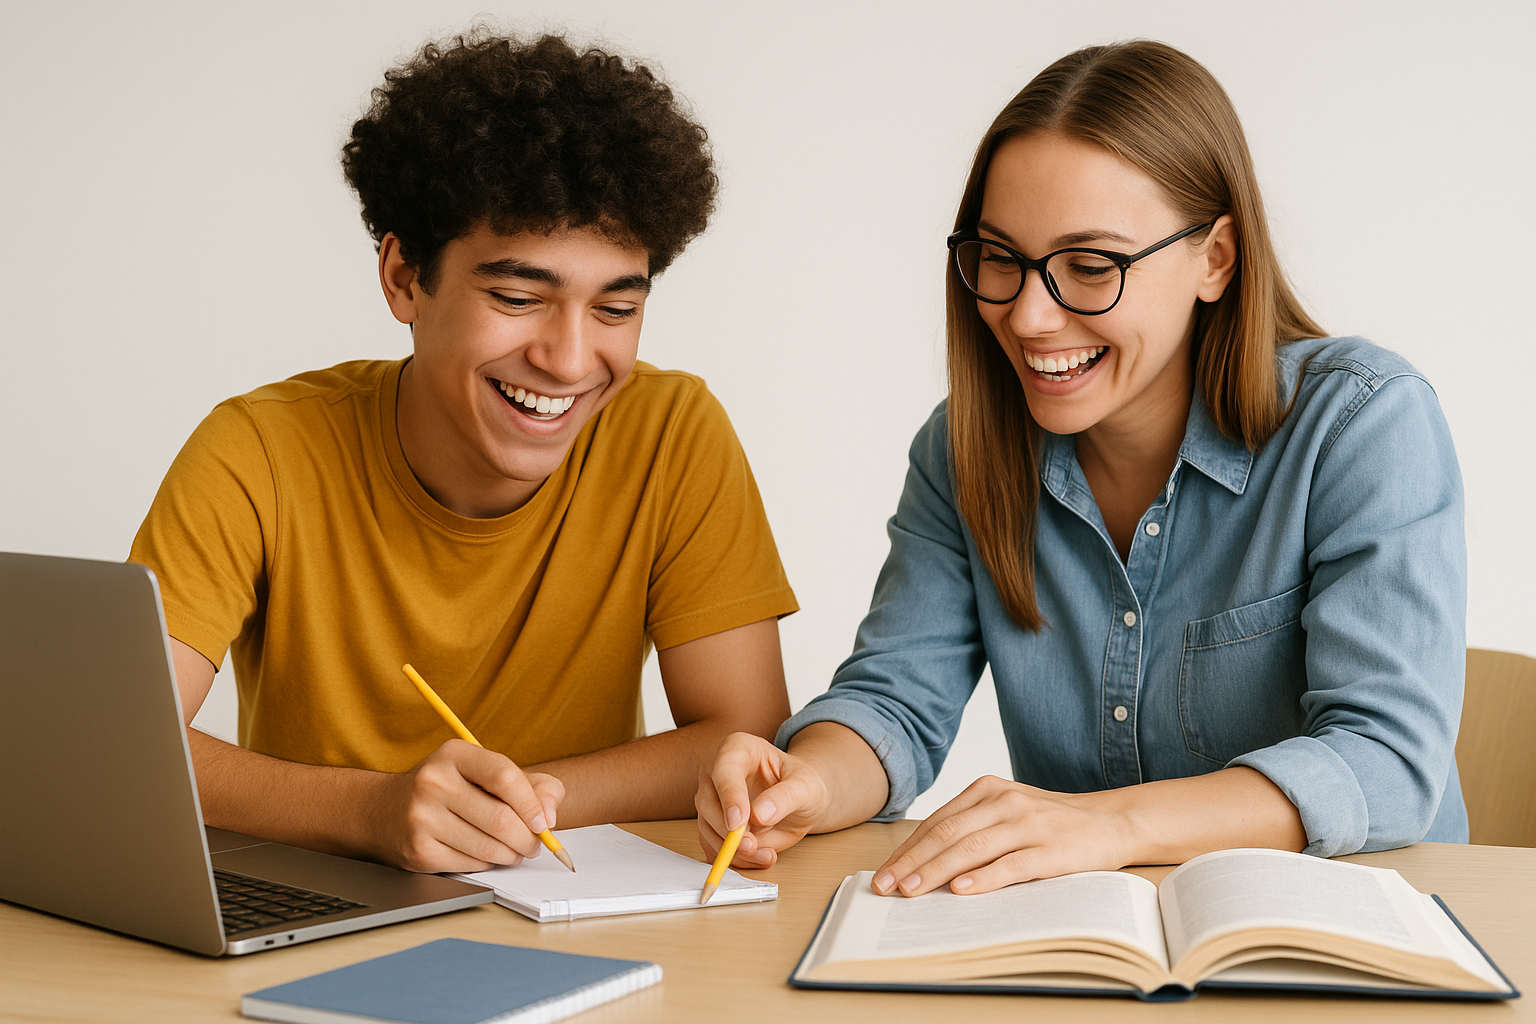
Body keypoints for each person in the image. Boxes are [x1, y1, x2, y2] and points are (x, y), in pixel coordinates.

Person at [697, 40, 1466, 896]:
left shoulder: (1362, 422)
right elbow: (895, 705)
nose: (1028, 316)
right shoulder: (962, 451)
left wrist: (1111, 823)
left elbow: (1387, 763)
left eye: (1090, 267)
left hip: (1359, 926)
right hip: (1098, 941)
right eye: (1000, 259)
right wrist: (808, 779)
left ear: (1215, 258)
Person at [130, 31, 798, 874]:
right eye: (519, 297)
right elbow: (121, 742)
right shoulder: (258, 450)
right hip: (322, 903)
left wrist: (515, 804)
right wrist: (373, 811)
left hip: (577, 910)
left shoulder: (672, 432)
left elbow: (744, 738)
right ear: (405, 278)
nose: (567, 357)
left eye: (616, 310)